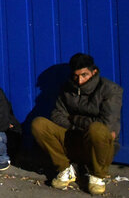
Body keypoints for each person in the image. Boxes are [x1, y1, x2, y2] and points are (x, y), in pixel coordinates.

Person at [31, 53, 123, 195]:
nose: (80, 81)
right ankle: (65, 169)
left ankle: (97, 175)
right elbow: (57, 115)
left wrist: (74, 119)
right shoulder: (68, 88)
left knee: (97, 129)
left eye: (84, 75)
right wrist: (75, 127)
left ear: (94, 72)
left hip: (98, 145)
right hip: (74, 138)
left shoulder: (110, 90)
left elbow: (106, 125)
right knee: (39, 124)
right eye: (76, 76)